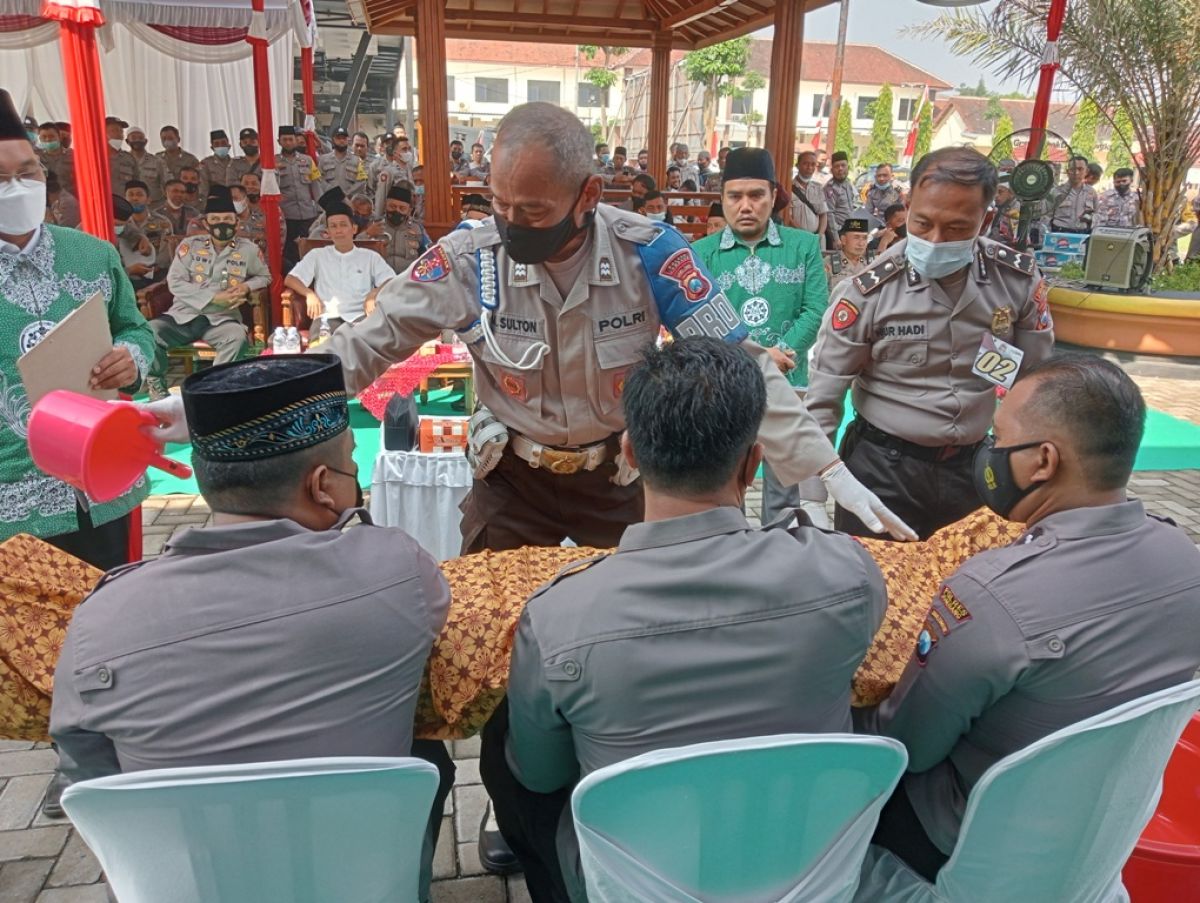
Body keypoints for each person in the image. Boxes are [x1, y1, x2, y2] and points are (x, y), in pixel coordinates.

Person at [482, 337, 889, 901]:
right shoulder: (846, 576)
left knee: (506, 752)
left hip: (635, 883)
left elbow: (542, 775)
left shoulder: (558, 619)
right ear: (754, 460)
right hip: (805, 869)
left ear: (627, 454)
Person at [50, 354, 455, 903]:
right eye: (350, 469)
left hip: (195, 886)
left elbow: (90, 780)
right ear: (321, 486)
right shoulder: (398, 570)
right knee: (429, 757)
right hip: (359, 883)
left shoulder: (100, 619)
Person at [863, 353, 1200, 880]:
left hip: (959, 844)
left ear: (1043, 461)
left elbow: (909, 745)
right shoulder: (1187, 563)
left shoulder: (990, 594)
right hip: (1095, 831)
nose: (988, 453)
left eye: (998, 440)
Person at [807, 146, 1056, 540]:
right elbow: (824, 395)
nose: (936, 240)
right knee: (881, 589)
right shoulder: (867, 293)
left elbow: (1037, 382)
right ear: (908, 204)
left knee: (965, 592)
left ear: (986, 218)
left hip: (975, 470)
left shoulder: (1017, 281)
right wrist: (812, 493)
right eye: (922, 224)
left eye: (957, 229)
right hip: (882, 472)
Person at [0, 89, 154, 573]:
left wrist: (132, 357)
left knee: (116, 619)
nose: (17, 186)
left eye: (27, 173)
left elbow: (136, 329)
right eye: (0, 178)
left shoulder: (92, 254)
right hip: (13, 499)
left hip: (105, 480)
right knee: (31, 642)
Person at [693, 147, 831, 528]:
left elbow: (816, 308)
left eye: (756, 195)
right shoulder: (700, 254)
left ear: (773, 196)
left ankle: (778, 559)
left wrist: (779, 353)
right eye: (735, 196)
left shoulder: (802, 247)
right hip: (725, 385)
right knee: (724, 483)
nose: (746, 206)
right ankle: (731, 561)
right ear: (722, 200)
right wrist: (754, 357)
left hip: (787, 380)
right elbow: (698, 319)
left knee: (784, 489)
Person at [144, 186, 269, 399]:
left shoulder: (247, 249)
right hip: (183, 316)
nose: (222, 223)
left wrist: (247, 286)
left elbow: (265, 276)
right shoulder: (189, 246)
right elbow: (174, 281)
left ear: (237, 223)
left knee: (237, 338)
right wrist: (213, 298)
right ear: (206, 223)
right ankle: (156, 384)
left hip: (222, 318)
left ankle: (214, 388)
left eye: (228, 219)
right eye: (216, 218)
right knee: (149, 332)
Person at [285, 189, 397, 333]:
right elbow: (290, 279)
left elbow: (391, 280)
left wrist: (374, 293)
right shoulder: (317, 255)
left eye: (343, 225)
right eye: (333, 226)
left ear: (354, 228)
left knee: (373, 345)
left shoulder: (370, 256)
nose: (338, 231)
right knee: (321, 351)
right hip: (327, 317)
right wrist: (309, 294)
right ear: (328, 232)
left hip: (361, 317)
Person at [276, 125, 322, 270]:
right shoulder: (273, 162)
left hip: (307, 213)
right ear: (279, 141)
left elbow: (316, 186)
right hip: (286, 215)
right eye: (285, 140)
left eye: (291, 139)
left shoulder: (307, 160)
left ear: (296, 141)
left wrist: (321, 210)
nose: (288, 142)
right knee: (289, 251)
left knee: (308, 248)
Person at [375, 184, 430, 274]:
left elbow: (429, 252)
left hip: (408, 280)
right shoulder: (374, 225)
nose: (397, 211)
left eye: (402, 208)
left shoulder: (417, 228)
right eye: (392, 206)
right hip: (380, 280)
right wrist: (367, 234)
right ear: (385, 205)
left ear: (409, 211)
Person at [1046, 155, 1097, 233]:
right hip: (1059, 233)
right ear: (1067, 171)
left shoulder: (1091, 192)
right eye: (1073, 169)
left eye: (1080, 169)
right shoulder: (1056, 191)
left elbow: (1097, 214)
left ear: (1086, 171)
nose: (1076, 173)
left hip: (1082, 234)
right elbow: (1046, 217)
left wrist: (1090, 218)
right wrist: (1045, 239)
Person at [318, 126, 369, 199]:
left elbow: (361, 182)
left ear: (348, 140)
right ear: (333, 139)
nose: (342, 141)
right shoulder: (323, 160)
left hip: (350, 203)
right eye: (338, 138)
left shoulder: (357, 161)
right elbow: (319, 180)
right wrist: (333, 193)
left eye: (344, 138)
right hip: (329, 202)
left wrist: (345, 195)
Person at [789, 149, 828, 240]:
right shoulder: (788, 188)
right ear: (797, 166)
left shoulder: (818, 188)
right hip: (797, 238)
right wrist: (804, 236)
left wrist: (820, 235)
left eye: (813, 164)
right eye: (805, 164)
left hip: (816, 239)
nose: (809, 167)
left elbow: (823, 215)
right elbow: (788, 217)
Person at [124, 126, 168, 203]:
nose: (137, 140)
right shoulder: (123, 161)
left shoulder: (157, 161)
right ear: (127, 141)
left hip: (154, 205)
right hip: (129, 205)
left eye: (140, 138)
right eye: (133, 138)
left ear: (146, 141)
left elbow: (167, 184)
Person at [827, 216, 871, 290]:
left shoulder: (871, 263)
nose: (861, 244)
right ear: (843, 240)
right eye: (856, 237)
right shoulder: (829, 263)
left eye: (864, 238)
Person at [823, 150, 857, 246]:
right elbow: (829, 214)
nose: (840, 169)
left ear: (848, 167)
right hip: (838, 232)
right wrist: (835, 238)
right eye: (836, 166)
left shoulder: (848, 184)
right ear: (832, 170)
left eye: (843, 165)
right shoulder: (830, 188)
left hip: (849, 230)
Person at [35, 122, 75, 195]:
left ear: (59, 137)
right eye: (44, 137)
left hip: (69, 199)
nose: (48, 140)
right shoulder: (35, 157)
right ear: (40, 138)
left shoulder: (72, 156)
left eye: (51, 136)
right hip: (46, 200)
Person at [196, 129, 235, 199]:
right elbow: (203, 188)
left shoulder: (236, 163)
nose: (221, 146)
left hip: (234, 199)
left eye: (223, 143)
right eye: (216, 144)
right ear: (212, 147)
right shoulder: (206, 163)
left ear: (229, 145)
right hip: (215, 200)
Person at [106, 116, 137, 196]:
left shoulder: (129, 159)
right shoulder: (94, 158)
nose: (119, 135)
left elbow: (136, 185)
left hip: (124, 205)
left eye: (121, 131)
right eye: (114, 131)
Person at [988, 175, 1020, 246]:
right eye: (995, 192)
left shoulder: (1017, 209)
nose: (996, 195)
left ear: (1011, 193)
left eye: (1000, 192)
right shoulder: (995, 206)